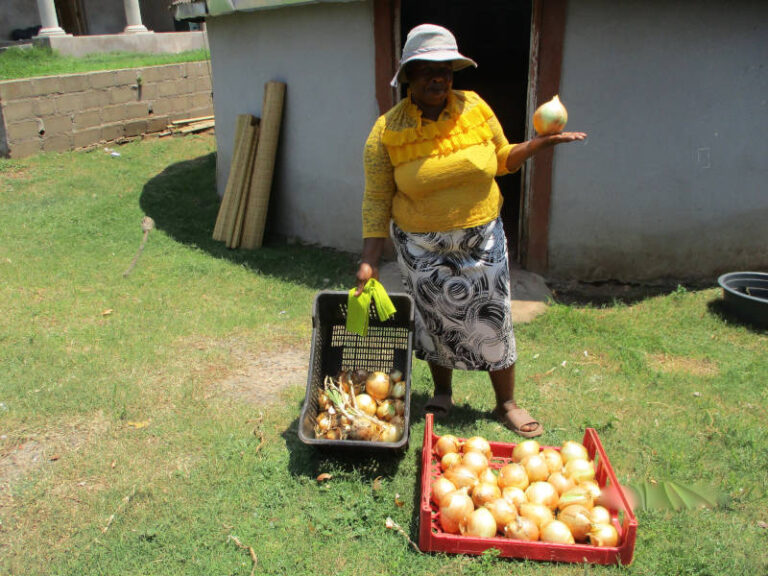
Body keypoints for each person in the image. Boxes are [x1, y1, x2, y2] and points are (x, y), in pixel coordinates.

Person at [355, 24, 586, 438]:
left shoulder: (475, 107)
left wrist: (536, 145)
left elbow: (500, 157)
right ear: (408, 75)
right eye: (426, 69)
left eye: (446, 69)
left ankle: (506, 403)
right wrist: (369, 262)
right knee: (433, 320)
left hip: (482, 240)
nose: (437, 78)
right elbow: (376, 199)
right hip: (421, 246)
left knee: (494, 317)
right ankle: (443, 391)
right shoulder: (387, 131)